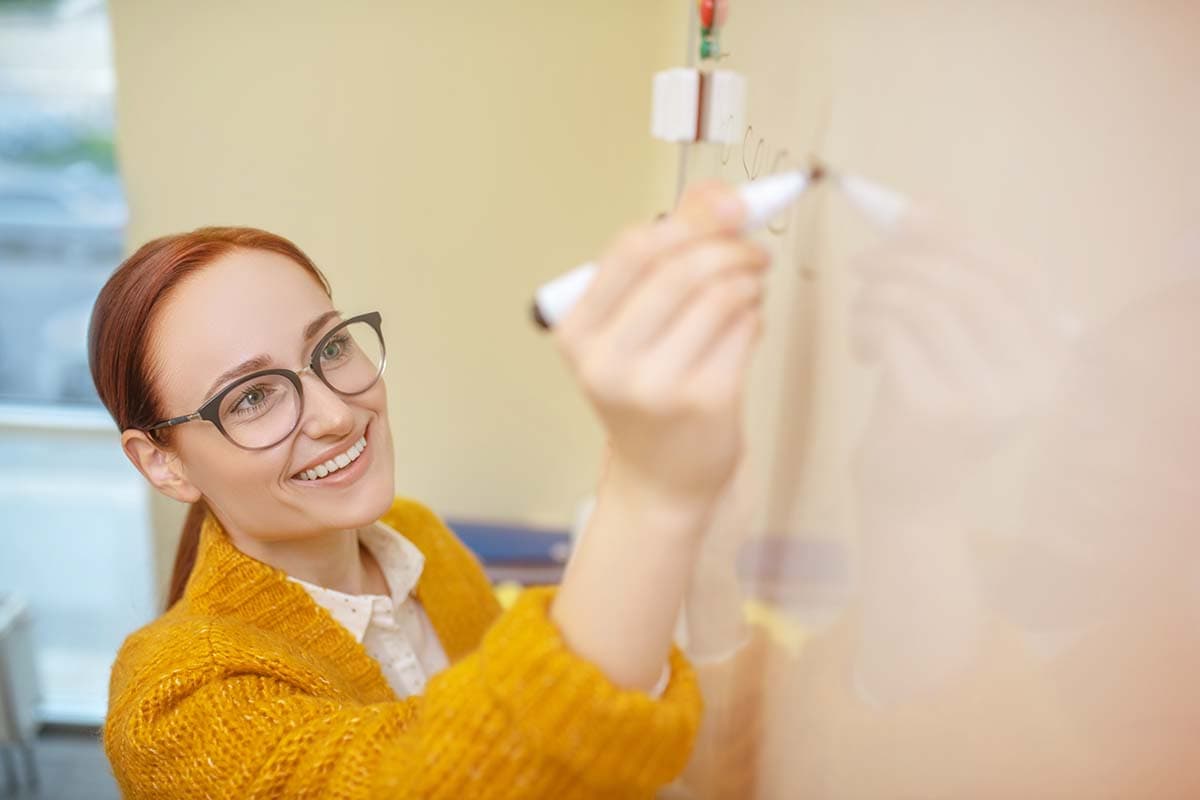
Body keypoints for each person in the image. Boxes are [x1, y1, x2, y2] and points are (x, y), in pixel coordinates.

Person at [88, 183, 770, 799]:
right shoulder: (169, 707)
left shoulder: (418, 542)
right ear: (162, 464)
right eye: (253, 398)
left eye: (329, 350)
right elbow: (426, 778)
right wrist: (653, 489)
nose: (335, 414)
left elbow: (571, 761)